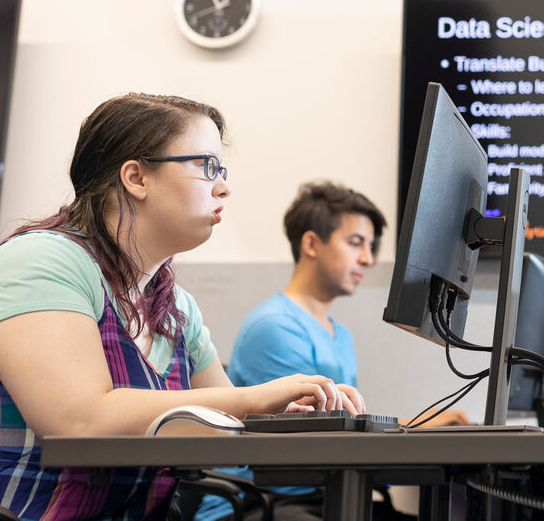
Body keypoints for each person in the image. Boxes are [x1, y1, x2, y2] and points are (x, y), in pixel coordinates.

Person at [0, 94, 361, 521]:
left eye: (223, 170)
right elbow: (78, 421)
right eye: (206, 166)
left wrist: (294, 410)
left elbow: (219, 426)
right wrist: (255, 398)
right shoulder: (42, 260)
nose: (223, 187)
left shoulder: (175, 307)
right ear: (136, 177)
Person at [194, 180, 466, 521]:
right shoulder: (276, 326)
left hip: (320, 493)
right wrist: (419, 426)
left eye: (370, 246)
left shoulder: (340, 335)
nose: (367, 259)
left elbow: (343, 429)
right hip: (268, 502)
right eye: (355, 243)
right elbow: (315, 437)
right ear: (311, 243)